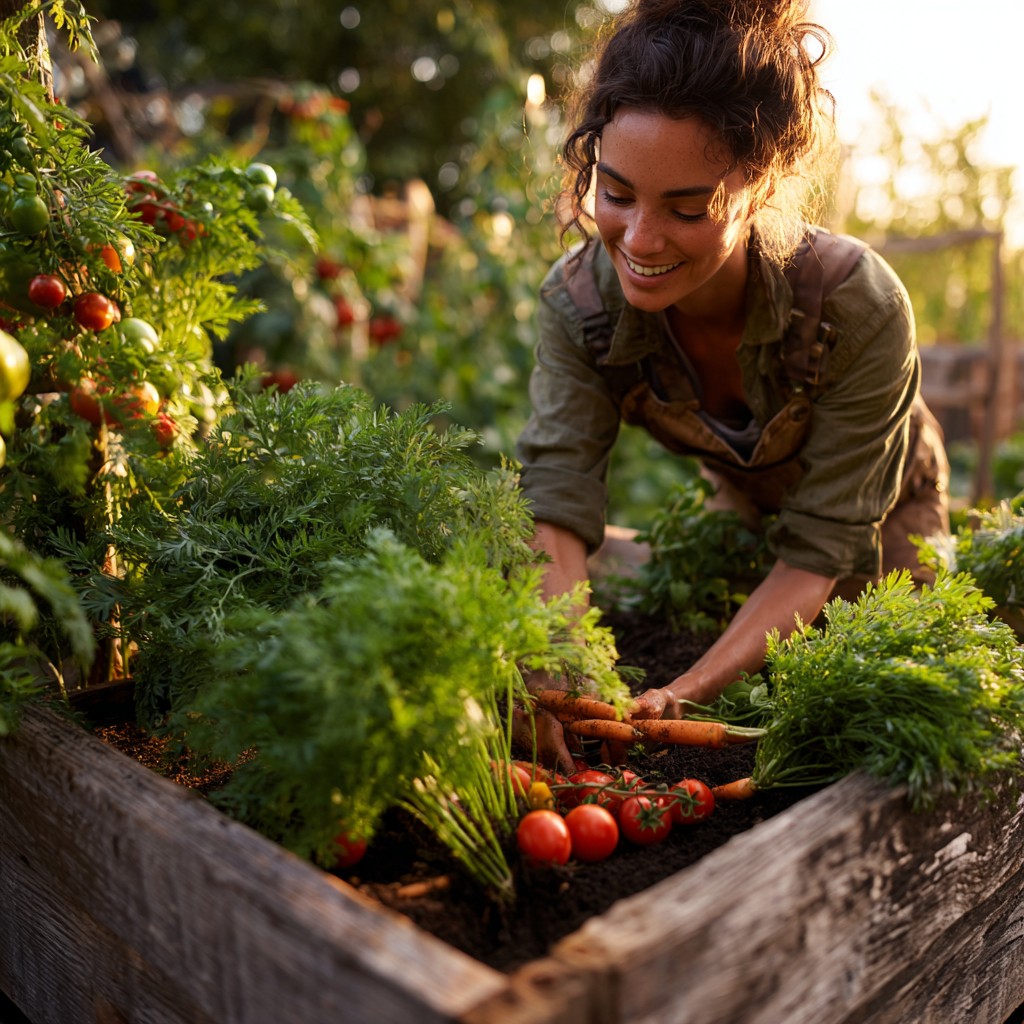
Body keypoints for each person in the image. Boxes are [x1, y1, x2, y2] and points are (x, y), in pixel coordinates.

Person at [513, 0, 951, 773]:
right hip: (745, 503)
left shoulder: (858, 307)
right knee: (704, 608)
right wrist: (562, 659)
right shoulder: (579, 308)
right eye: (615, 195)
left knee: (865, 714)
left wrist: (683, 696)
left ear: (763, 187)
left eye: (688, 208)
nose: (640, 241)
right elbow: (557, 500)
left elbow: (818, 553)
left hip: (879, 522)